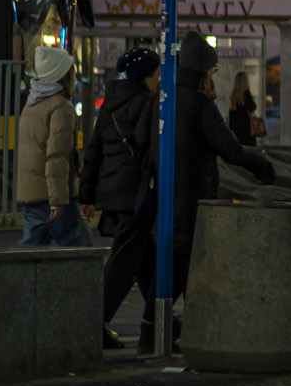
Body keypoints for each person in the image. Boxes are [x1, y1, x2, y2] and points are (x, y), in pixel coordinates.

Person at [141, 33, 277, 354]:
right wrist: (262, 166)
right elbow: (229, 148)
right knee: (183, 272)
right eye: (211, 71)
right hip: (192, 202)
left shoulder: (163, 99)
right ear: (201, 71)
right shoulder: (199, 104)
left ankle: (193, 331)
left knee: (189, 273)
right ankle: (155, 333)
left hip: (166, 199)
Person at [81, 46, 159, 348]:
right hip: (135, 194)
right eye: (156, 73)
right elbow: (150, 147)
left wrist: (87, 194)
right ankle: (93, 323)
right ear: (148, 75)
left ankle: (163, 323)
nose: (159, 78)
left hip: (115, 192)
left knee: (145, 262)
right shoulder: (146, 104)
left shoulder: (110, 104)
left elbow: (94, 151)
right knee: (123, 264)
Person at [15, 45, 91, 248]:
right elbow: (57, 155)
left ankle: (16, 281)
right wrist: (57, 200)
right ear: (64, 76)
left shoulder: (33, 102)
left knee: (31, 249)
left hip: (31, 192)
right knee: (80, 249)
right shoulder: (60, 106)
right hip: (52, 194)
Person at [226, 71, 261, 147]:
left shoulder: (232, 95)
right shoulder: (246, 93)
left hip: (236, 125)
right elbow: (252, 107)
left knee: (239, 147)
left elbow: (231, 112)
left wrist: (231, 127)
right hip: (246, 126)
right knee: (250, 148)